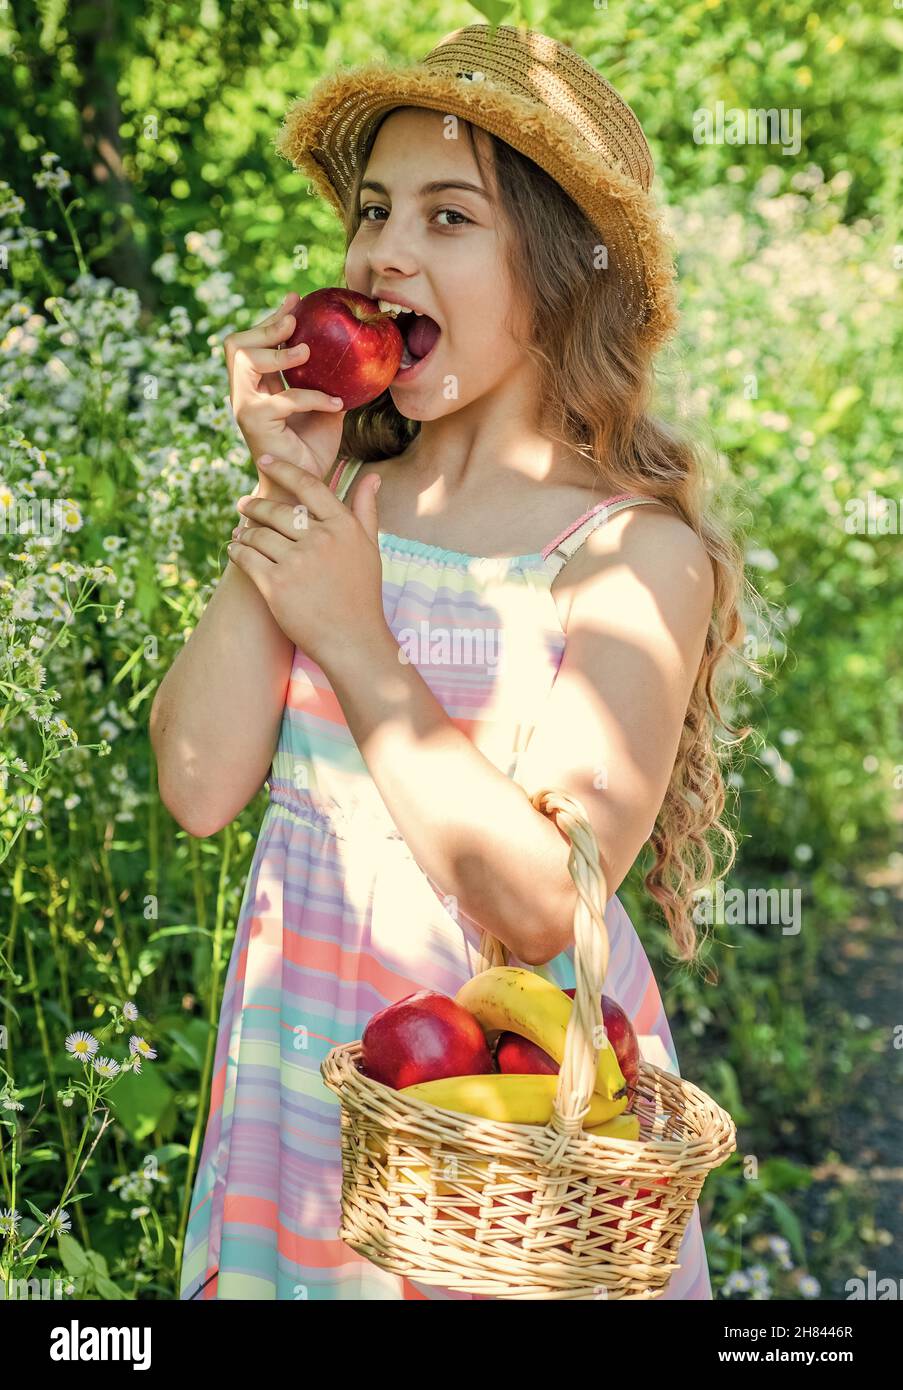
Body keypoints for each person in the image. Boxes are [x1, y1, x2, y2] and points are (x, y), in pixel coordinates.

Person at [154, 23, 752, 1301]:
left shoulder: (626, 559)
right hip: (301, 1092)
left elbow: (545, 907)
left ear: (557, 269)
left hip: (494, 1117)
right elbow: (200, 781)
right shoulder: (349, 502)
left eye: (449, 217)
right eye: (374, 211)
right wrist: (288, 487)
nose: (385, 251)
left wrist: (358, 638)